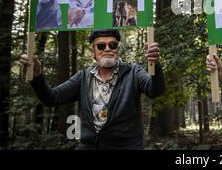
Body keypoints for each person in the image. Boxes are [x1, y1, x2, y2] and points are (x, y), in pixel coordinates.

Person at [20, 29, 165, 149]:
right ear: (93, 52)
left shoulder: (134, 72)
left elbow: (155, 90)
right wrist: (37, 76)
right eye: (101, 46)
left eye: (112, 45)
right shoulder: (83, 77)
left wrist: (155, 65)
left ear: (118, 49)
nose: (107, 49)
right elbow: (52, 98)